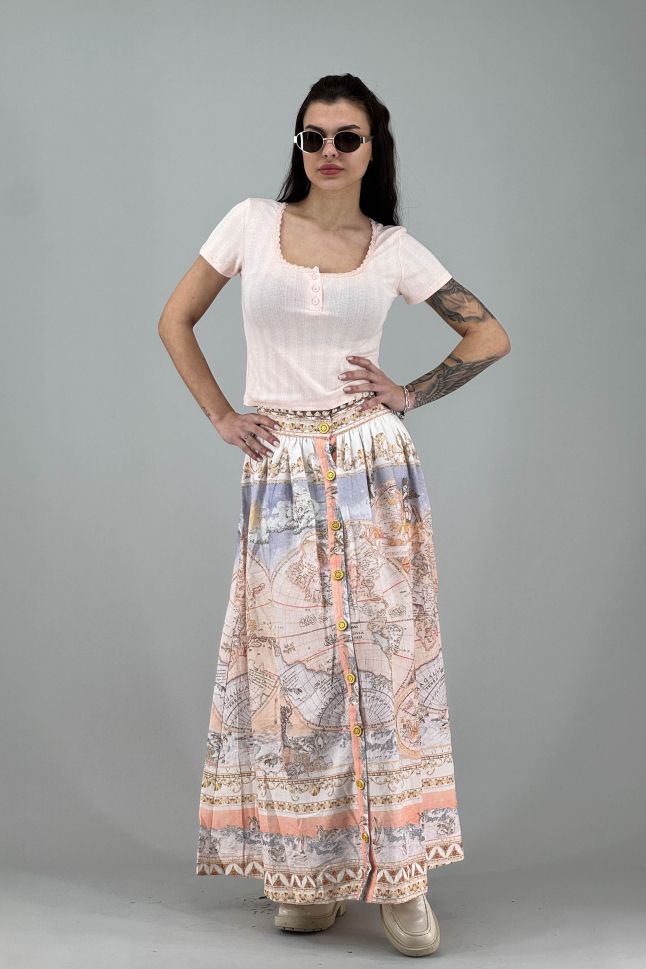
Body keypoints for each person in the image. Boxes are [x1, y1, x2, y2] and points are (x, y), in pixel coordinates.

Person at [158, 73, 511, 958]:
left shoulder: (392, 248)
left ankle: (402, 882)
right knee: (296, 675)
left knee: (384, 664)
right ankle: (307, 878)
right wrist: (222, 415)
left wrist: (410, 393)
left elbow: (489, 334)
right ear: (299, 144)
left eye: (346, 137)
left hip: (369, 466)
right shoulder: (249, 223)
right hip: (279, 469)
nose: (326, 152)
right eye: (312, 136)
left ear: (371, 149)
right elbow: (175, 319)